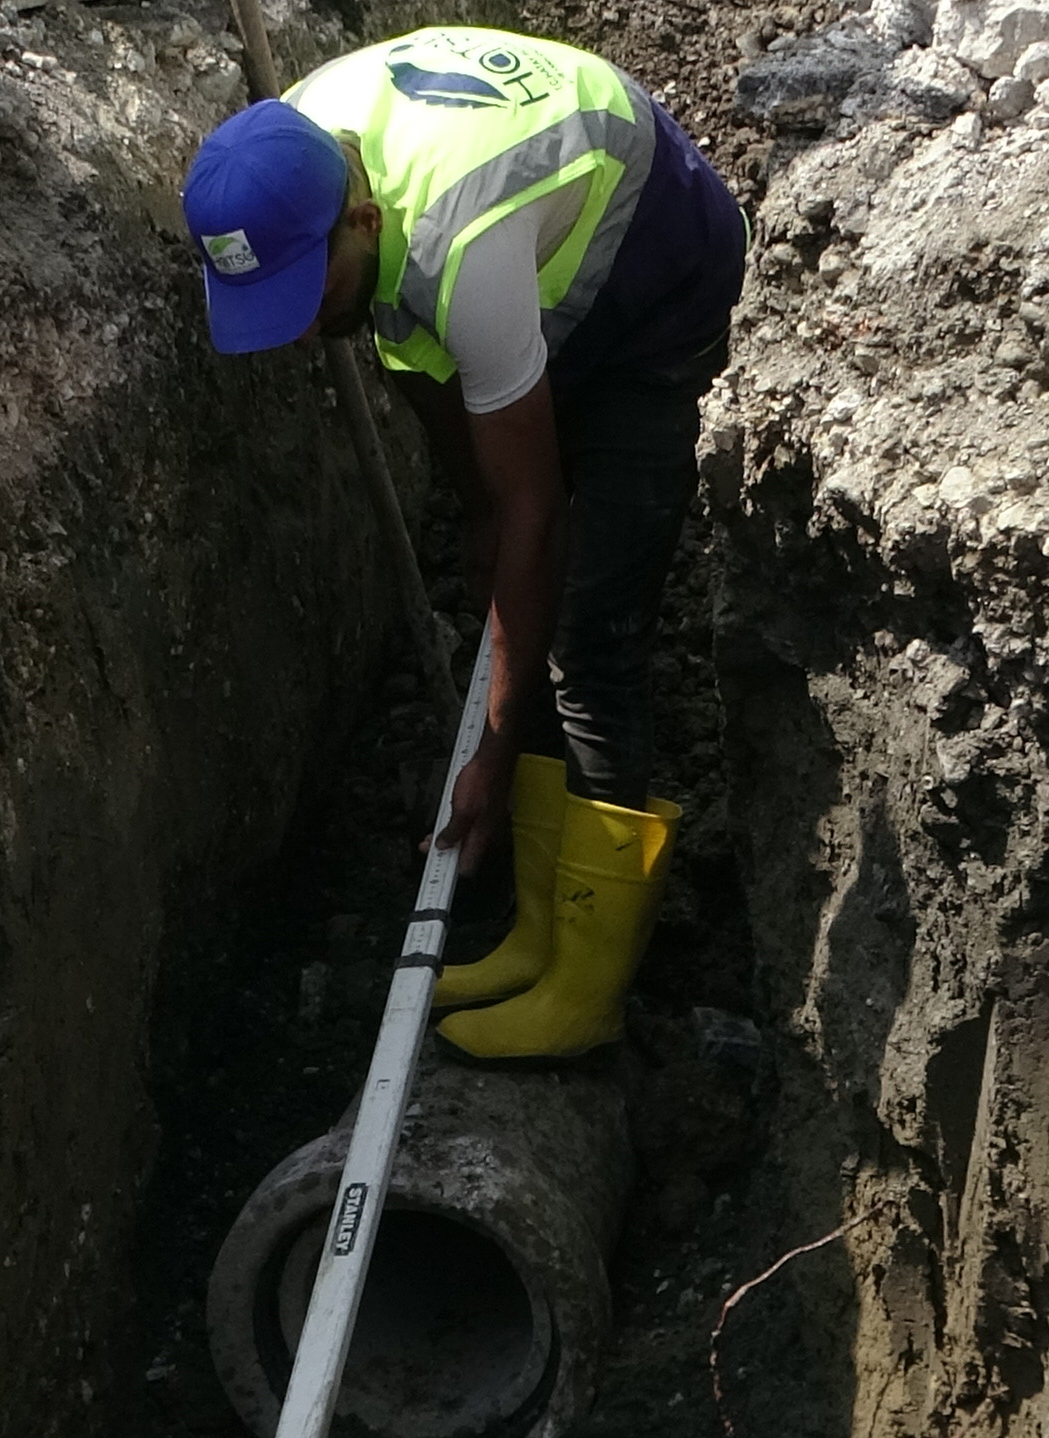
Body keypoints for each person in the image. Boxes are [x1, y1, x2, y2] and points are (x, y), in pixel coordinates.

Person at [182, 27, 745, 1062]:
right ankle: (537, 929)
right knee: (513, 584)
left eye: (308, 298)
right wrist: (491, 631)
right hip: (505, 252)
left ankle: (589, 986)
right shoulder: (290, 155)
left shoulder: (462, 246)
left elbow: (533, 511)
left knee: (590, 638)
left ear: (362, 220)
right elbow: (478, 492)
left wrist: (491, 744)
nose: (299, 334)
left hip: (654, 265)